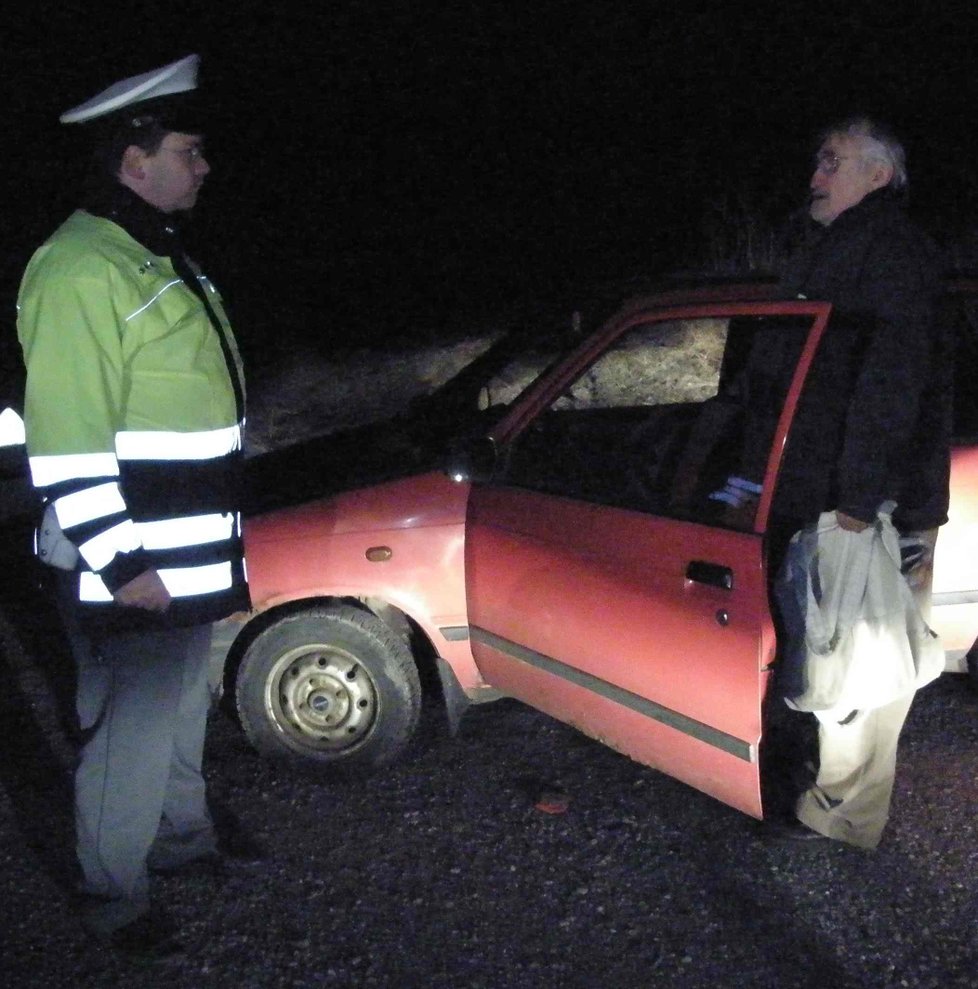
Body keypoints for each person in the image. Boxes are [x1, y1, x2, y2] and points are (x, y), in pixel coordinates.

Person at [17, 54, 255, 956]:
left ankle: (186, 838)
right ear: (133, 158)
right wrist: (123, 563)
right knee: (133, 728)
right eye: (188, 150)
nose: (203, 166)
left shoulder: (146, 252)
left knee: (181, 700)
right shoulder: (81, 268)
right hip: (138, 561)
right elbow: (67, 442)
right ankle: (112, 892)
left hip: (188, 549)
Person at [762, 116, 949, 849]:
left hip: (873, 503)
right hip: (846, 493)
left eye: (831, 161)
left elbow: (892, 382)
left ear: (877, 174)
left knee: (863, 662)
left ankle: (844, 815)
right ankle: (837, 796)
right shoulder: (841, 245)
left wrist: (854, 499)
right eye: (818, 160)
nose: (815, 175)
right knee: (847, 653)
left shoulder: (891, 250)